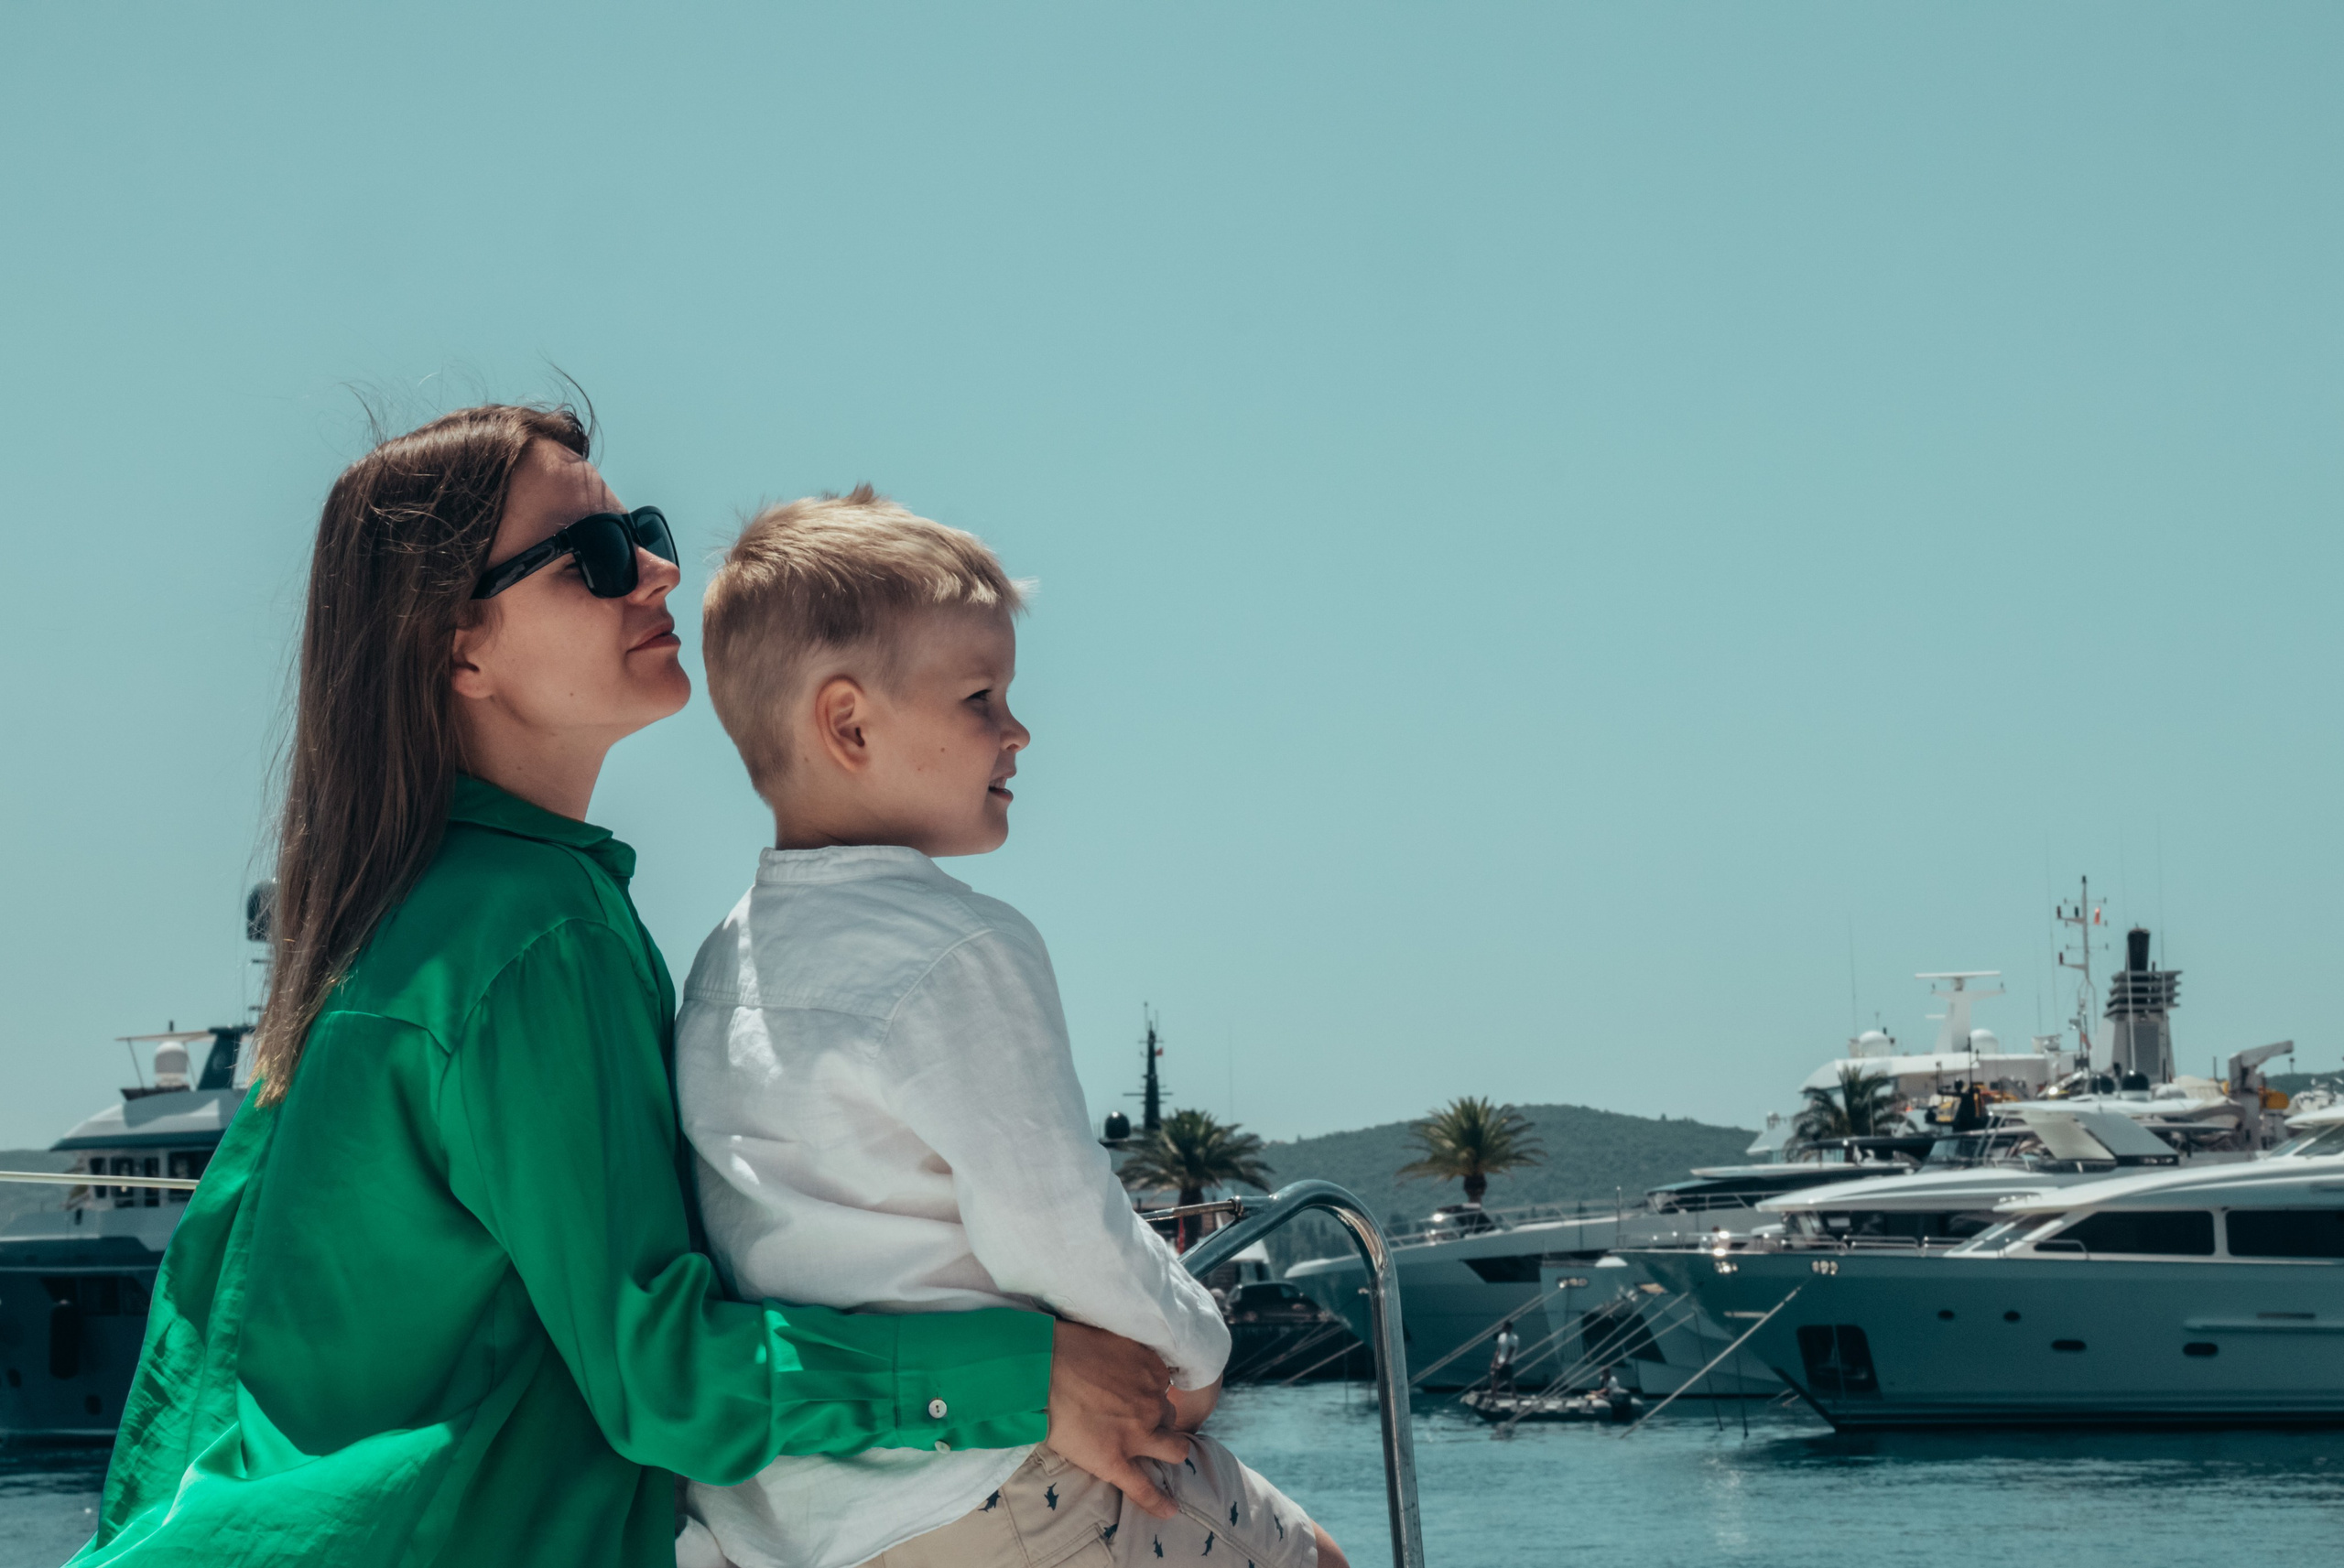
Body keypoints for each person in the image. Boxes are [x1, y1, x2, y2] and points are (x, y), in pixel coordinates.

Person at [70, 406, 1180, 1568]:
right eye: (593, 558)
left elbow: (195, 1359)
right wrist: (1026, 1377)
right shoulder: (532, 930)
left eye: (641, 531)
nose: (656, 568)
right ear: (461, 648)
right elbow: (662, 1382)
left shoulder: (390, 922)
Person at [677, 490, 1346, 1568]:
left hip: (802, 1521)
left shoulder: (720, 968)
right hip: (1004, 1485)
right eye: (981, 697)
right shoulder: (959, 950)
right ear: (849, 724)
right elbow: (1056, 1229)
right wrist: (1195, 1353)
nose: (1017, 731)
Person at [1489, 1319, 1522, 1396]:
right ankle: (1493, 1397)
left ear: (1509, 1327)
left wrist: (1503, 1363)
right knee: (1495, 1380)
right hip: (1500, 1361)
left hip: (1508, 1363)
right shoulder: (1501, 1336)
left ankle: (1514, 1397)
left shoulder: (1514, 1338)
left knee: (1510, 1381)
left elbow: (1510, 1352)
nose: (1502, 1328)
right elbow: (1498, 1350)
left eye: (1503, 1327)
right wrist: (1494, 1362)